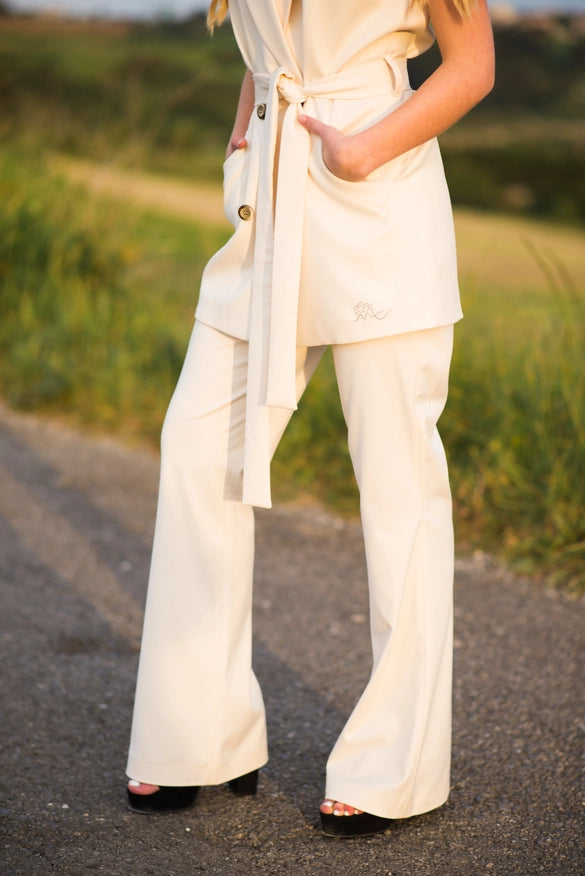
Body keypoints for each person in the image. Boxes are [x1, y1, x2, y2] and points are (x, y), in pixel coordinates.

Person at [125, 0, 494, 838]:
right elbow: (271, 43)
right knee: (198, 449)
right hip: (267, 198)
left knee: (398, 485)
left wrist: (364, 149)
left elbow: (472, 65)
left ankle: (392, 767)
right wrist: (243, 133)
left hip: (374, 189)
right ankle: (199, 734)